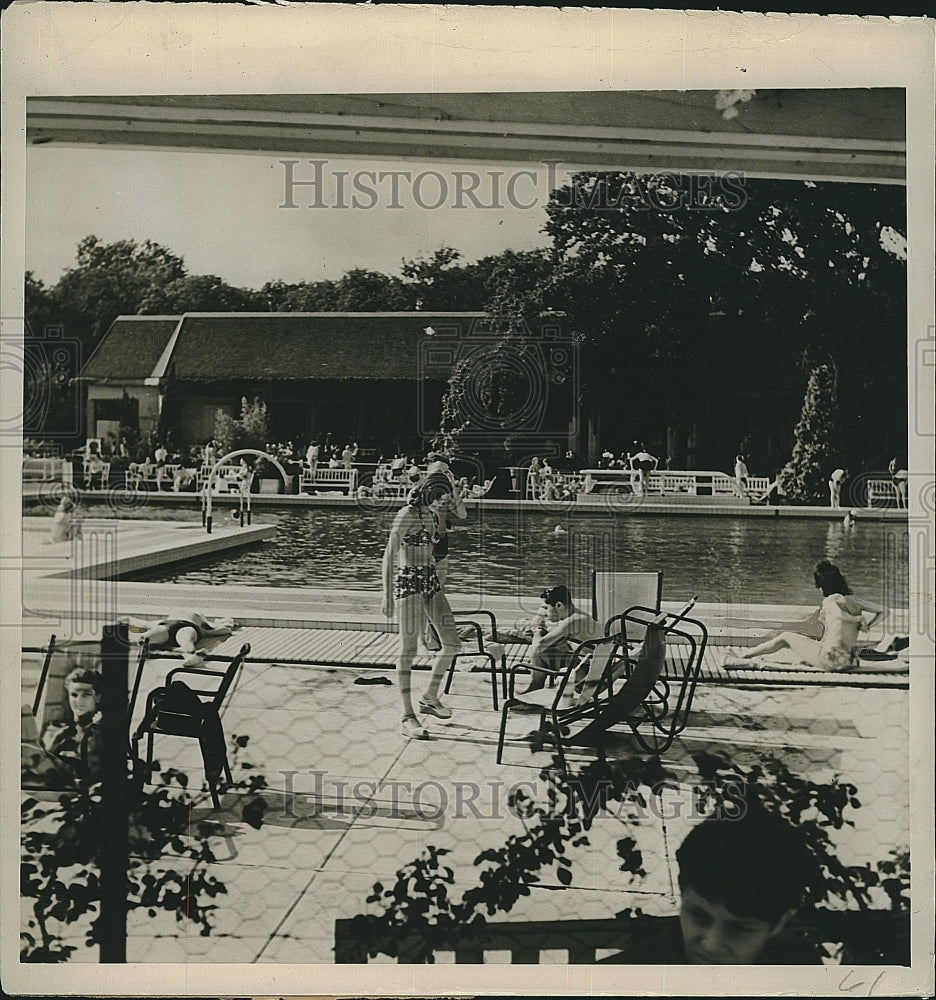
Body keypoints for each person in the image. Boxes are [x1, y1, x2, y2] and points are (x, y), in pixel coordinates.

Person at [599, 802, 819, 964]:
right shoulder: (614, 981)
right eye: (697, 916)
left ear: (780, 922)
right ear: (682, 895)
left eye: (739, 929)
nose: (711, 945)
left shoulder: (803, 970)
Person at [381, 476, 462, 738]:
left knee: (452, 643)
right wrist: (387, 595)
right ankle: (407, 715)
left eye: (446, 499)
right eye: (440, 497)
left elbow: (435, 553)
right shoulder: (406, 514)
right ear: (429, 493)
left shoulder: (433, 516)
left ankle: (429, 697)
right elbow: (388, 555)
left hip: (430, 580)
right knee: (409, 647)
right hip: (408, 582)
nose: (443, 503)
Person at [725, 560, 883, 672]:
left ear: (824, 586)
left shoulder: (830, 600)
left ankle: (743, 655)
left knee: (786, 636)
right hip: (849, 661)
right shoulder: (855, 600)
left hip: (831, 661)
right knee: (809, 653)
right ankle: (805, 662)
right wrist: (868, 625)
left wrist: (858, 619)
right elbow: (884, 611)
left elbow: (838, 613)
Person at [520, 585, 604, 694]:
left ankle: (534, 689)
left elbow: (538, 647)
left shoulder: (572, 621)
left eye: (546, 608)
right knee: (551, 645)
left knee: (541, 652)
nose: (544, 612)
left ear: (559, 605)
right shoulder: (577, 615)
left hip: (585, 679)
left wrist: (538, 629)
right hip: (592, 670)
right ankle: (535, 689)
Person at [39, 667, 104, 783]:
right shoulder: (55, 730)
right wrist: (55, 742)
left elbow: (95, 771)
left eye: (86, 695)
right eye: (74, 695)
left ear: (97, 697)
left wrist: (96, 733)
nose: (79, 701)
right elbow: (39, 768)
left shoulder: (104, 733)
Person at [136, 612, 236, 666]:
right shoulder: (201, 620)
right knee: (144, 639)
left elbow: (220, 631)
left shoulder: (202, 621)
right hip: (175, 626)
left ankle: (190, 657)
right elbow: (222, 630)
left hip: (175, 626)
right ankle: (186, 655)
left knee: (187, 643)